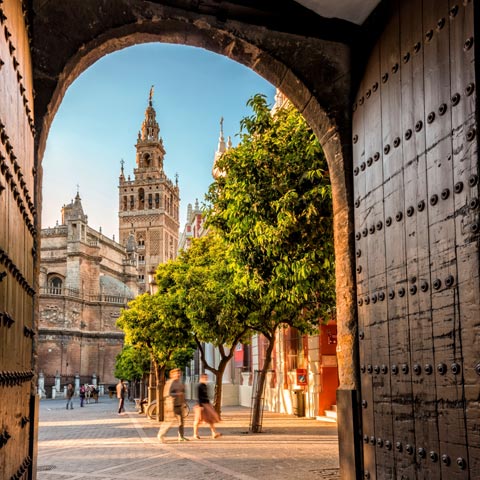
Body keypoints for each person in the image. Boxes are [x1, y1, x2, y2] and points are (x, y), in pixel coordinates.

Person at [157, 368, 188, 442]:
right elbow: (167, 394)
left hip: (179, 404)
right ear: (172, 375)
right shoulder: (170, 383)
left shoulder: (180, 383)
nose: (178, 375)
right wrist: (177, 394)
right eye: (176, 373)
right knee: (169, 421)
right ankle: (160, 435)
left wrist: (184, 402)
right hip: (171, 405)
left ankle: (181, 436)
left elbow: (183, 393)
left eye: (179, 373)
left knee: (181, 421)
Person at [193, 374, 221, 439]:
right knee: (198, 420)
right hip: (201, 405)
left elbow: (206, 396)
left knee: (210, 419)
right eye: (204, 378)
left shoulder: (205, 385)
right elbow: (198, 396)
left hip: (206, 404)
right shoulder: (199, 386)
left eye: (206, 378)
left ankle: (214, 433)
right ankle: (195, 434)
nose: (206, 379)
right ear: (201, 378)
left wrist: (209, 404)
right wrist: (200, 405)